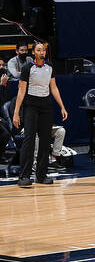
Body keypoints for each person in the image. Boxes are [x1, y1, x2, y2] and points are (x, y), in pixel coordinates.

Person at [12, 42, 68, 188]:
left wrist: (62, 106)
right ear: (33, 53)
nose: (41, 52)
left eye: (43, 50)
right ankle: (24, 176)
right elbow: (21, 91)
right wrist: (16, 113)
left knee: (45, 140)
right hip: (31, 106)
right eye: (38, 50)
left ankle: (41, 175)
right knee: (29, 139)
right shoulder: (27, 68)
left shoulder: (49, 67)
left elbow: (54, 87)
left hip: (46, 106)